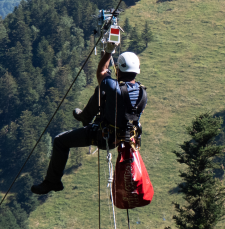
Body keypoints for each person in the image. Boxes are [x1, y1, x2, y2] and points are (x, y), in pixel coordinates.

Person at [31, 42, 147, 194]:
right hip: (124, 138)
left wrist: (108, 51)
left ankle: (52, 182)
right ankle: (85, 117)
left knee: (60, 141)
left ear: (119, 69)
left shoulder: (114, 89)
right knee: (101, 90)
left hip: (103, 136)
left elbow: (102, 72)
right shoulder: (142, 93)